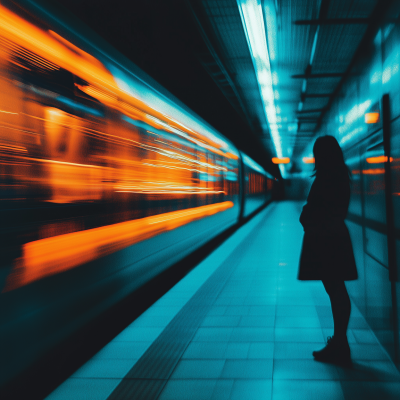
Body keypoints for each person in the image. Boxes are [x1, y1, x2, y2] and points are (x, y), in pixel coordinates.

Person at [298, 135, 357, 366]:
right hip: (333, 238)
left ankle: (340, 344)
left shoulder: (327, 177)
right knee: (336, 290)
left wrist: (307, 214)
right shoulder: (340, 176)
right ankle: (340, 342)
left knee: (336, 290)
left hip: (327, 241)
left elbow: (319, 208)